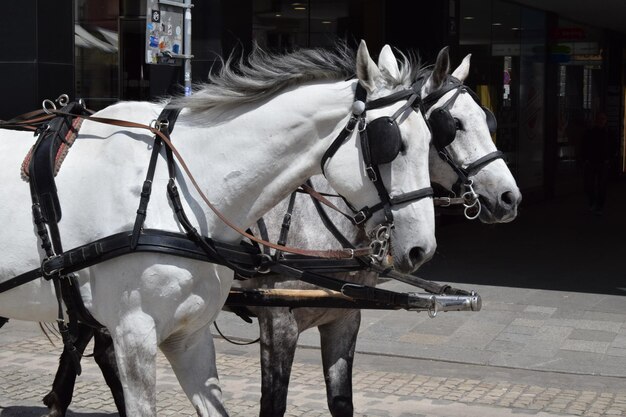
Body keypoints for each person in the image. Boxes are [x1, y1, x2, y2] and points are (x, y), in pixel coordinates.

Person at [582, 111, 615, 214]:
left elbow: (613, 146)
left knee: (601, 186)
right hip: (592, 162)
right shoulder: (592, 132)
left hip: (601, 162)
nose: (601, 121)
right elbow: (584, 145)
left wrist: (609, 158)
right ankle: (595, 204)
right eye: (600, 119)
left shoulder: (608, 133)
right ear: (596, 120)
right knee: (590, 185)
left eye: (603, 119)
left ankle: (597, 205)